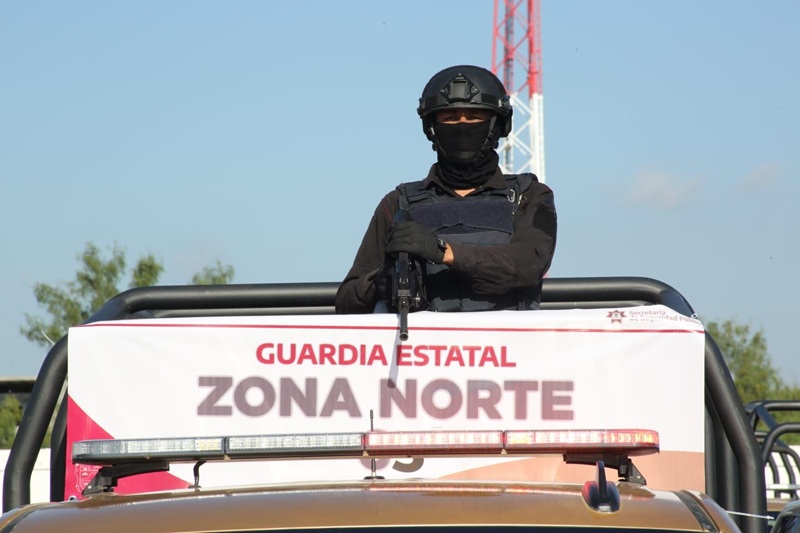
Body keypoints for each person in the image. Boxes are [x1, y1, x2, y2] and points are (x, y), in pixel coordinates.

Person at [335, 65, 556, 314]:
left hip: (505, 340)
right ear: (431, 128)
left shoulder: (529, 196)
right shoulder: (398, 203)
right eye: (450, 117)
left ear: (499, 126)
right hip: (420, 340)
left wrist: (442, 252)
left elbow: (527, 265)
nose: (462, 124)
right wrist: (380, 283)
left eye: (474, 116)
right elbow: (347, 301)